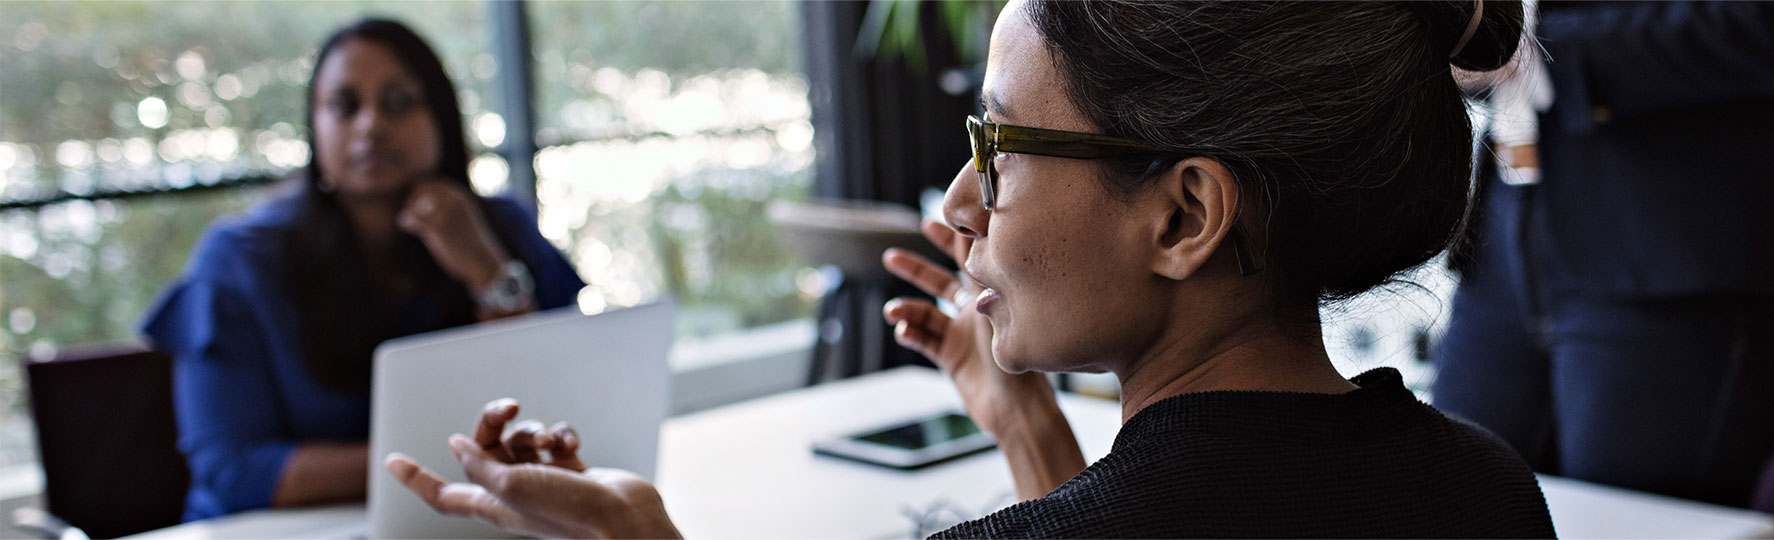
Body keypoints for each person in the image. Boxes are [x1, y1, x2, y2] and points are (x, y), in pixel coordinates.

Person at [384, 1, 1558, 537]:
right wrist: (1025, 427)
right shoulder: (1490, 494)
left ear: (1186, 214)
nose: (957, 202)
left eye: (995, 144)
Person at [141, 19, 586, 521]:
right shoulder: (241, 257)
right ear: (315, 127)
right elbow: (234, 470)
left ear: (442, 116)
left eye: (398, 101)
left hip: (463, 523)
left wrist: (489, 274)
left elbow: (556, 405)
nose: (371, 125)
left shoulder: (502, 226)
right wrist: (459, 464)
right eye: (345, 106)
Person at [1431, 0, 1774, 516]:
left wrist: (1535, 47)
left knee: (1629, 521)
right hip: (1504, 246)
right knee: (1444, 505)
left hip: (1673, 257)